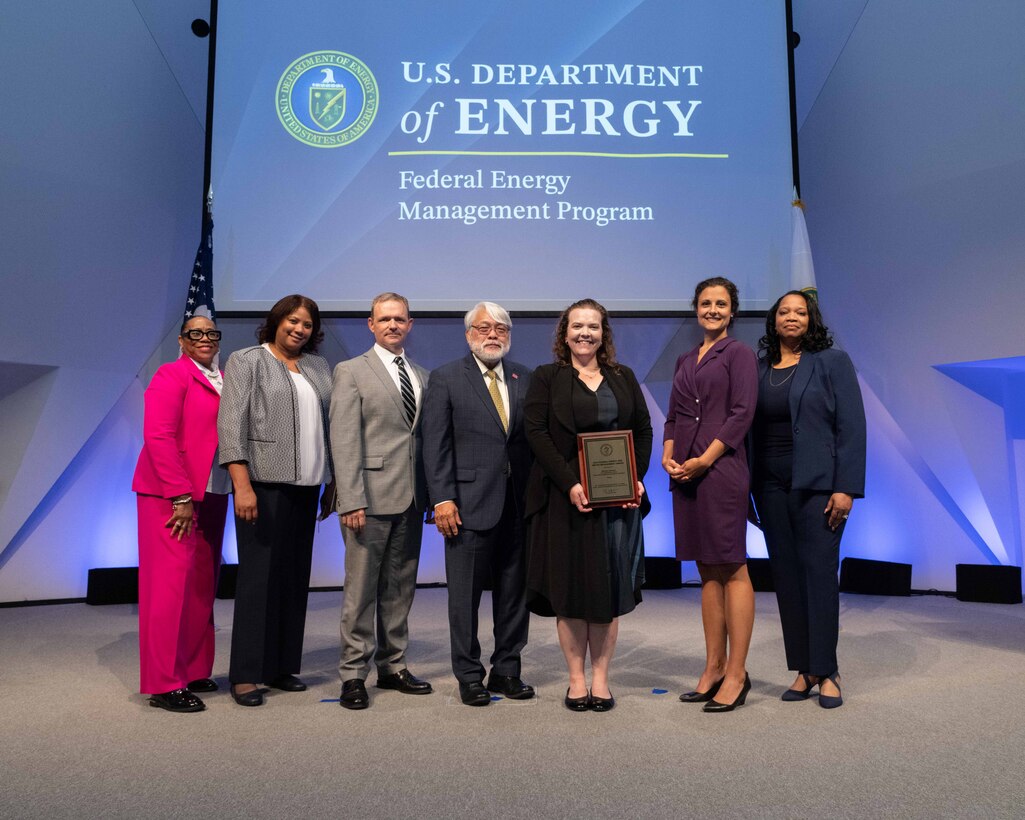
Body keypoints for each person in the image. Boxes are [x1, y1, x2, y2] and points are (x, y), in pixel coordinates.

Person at [524, 298, 652, 712]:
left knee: (607, 591)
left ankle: (601, 679)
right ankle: (575, 679)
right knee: (572, 590)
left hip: (616, 504)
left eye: (593, 327)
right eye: (577, 326)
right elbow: (537, 434)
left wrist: (636, 476)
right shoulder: (547, 377)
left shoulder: (623, 376)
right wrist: (571, 484)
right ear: (564, 333)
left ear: (604, 334)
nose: (585, 333)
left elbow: (644, 430)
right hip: (567, 502)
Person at [750, 290, 866, 709]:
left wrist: (845, 488)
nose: (792, 317)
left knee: (818, 575)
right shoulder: (760, 369)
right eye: (785, 311)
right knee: (786, 577)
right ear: (773, 320)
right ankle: (804, 669)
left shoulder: (832, 362)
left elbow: (851, 428)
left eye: (800, 312)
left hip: (819, 485)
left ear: (811, 319)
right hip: (769, 485)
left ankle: (828, 669)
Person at [217, 295, 334, 707]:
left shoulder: (319, 367)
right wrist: (241, 484)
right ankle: (246, 674)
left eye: (306, 324)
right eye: (292, 320)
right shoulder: (247, 359)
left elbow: (329, 426)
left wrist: (332, 481)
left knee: (292, 578)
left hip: (307, 486)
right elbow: (231, 424)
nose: (299, 329)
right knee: (257, 581)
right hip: (262, 485)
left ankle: (281, 666)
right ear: (276, 321)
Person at [422, 302, 534, 707]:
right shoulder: (447, 378)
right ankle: (469, 675)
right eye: (484, 328)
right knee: (464, 599)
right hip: (466, 507)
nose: (493, 334)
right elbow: (434, 445)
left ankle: (507, 670)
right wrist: (443, 499)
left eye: (500, 328)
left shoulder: (526, 377)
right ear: (469, 335)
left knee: (513, 595)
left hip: (520, 507)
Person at [330, 293, 432, 710]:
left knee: (400, 589)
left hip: (410, 499)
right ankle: (353, 674)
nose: (393, 325)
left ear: (410, 324)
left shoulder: (422, 374)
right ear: (370, 325)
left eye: (400, 319)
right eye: (384, 319)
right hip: (366, 501)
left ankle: (393, 667)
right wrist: (350, 498)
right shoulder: (350, 371)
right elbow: (343, 439)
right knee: (360, 592)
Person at [663, 277, 758, 713]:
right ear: (696, 309)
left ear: (732, 311)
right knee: (706, 570)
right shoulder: (685, 358)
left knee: (732, 567)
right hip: (685, 474)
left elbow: (742, 415)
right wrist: (668, 456)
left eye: (721, 304)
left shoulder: (738, 354)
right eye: (706, 303)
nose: (713, 309)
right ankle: (713, 666)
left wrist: (705, 459)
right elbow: (673, 417)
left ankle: (737, 673)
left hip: (720, 472)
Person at [133, 315, 230, 712]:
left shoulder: (224, 378)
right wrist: (179, 495)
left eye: (211, 333)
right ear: (182, 340)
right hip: (171, 495)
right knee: (168, 589)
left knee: (201, 586)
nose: (204, 339)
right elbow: (158, 435)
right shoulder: (170, 376)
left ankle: (191, 668)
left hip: (213, 491)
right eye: (196, 333)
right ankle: (163, 683)